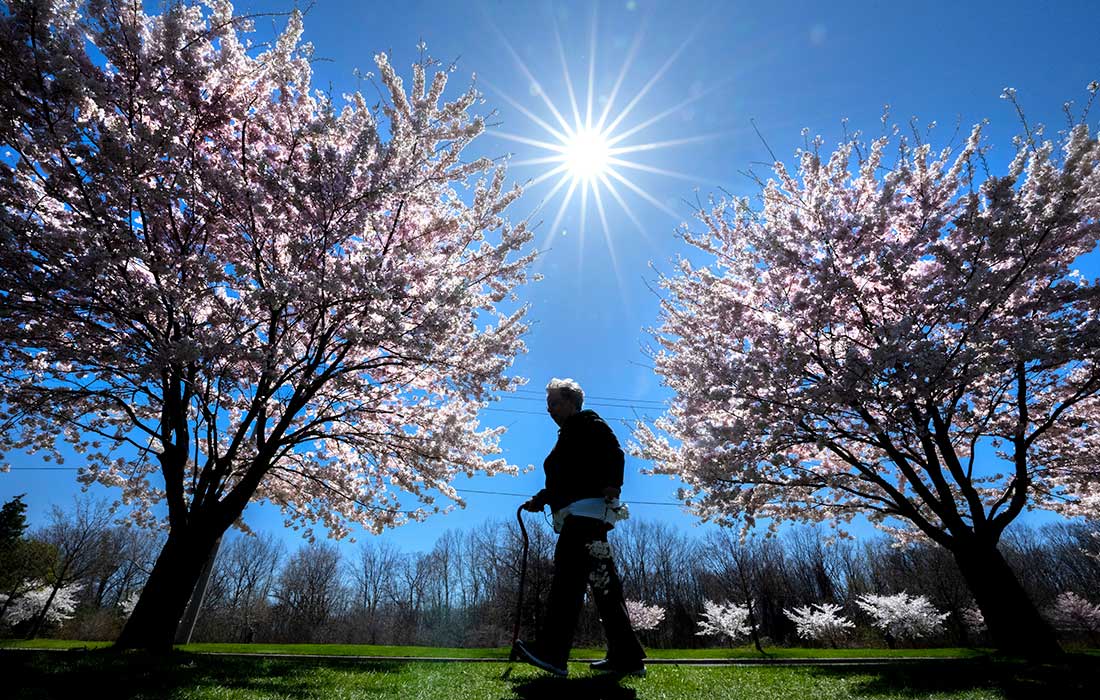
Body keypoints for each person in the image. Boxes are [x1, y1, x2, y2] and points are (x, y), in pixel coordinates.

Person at [512, 377, 646, 678]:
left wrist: (613, 485)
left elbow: (615, 454)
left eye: (555, 404)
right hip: (585, 516)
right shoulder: (571, 434)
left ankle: (553, 652)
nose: (550, 410)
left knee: (566, 582)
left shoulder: (588, 423)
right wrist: (541, 499)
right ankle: (627, 657)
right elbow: (566, 480)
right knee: (604, 586)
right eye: (548, 405)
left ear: (572, 402)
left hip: (585, 515)